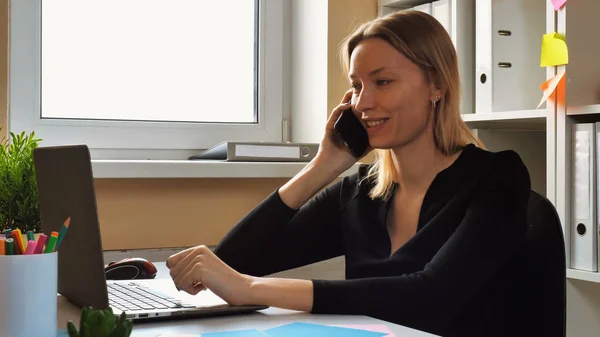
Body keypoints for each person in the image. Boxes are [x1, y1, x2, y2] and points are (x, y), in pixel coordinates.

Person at [166, 10, 532, 337]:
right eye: (356, 86)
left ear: (436, 85)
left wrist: (250, 289)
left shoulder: (498, 177)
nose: (362, 102)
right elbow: (228, 265)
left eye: (382, 82)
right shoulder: (360, 193)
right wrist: (322, 166)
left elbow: (430, 295)